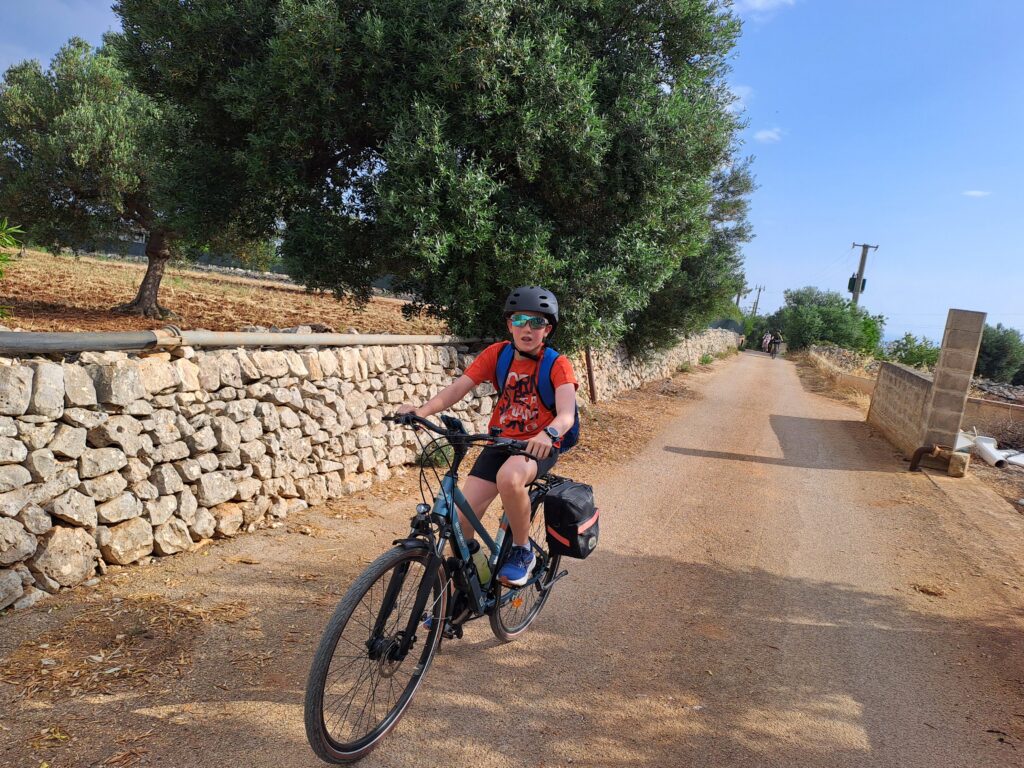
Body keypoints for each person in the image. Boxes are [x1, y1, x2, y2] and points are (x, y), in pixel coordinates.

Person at [397, 286, 579, 586]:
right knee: (459, 522)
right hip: (499, 443)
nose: (528, 328)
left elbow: (566, 415)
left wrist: (549, 434)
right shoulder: (498, 354)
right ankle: (473, 585)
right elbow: (458, 388)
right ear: (510, 324)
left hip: (539, 446)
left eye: (537, 323)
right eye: (520, 320)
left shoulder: (558, 364)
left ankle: (522, 551)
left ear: (547, 329)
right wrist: (422, 411)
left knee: (509, 478)